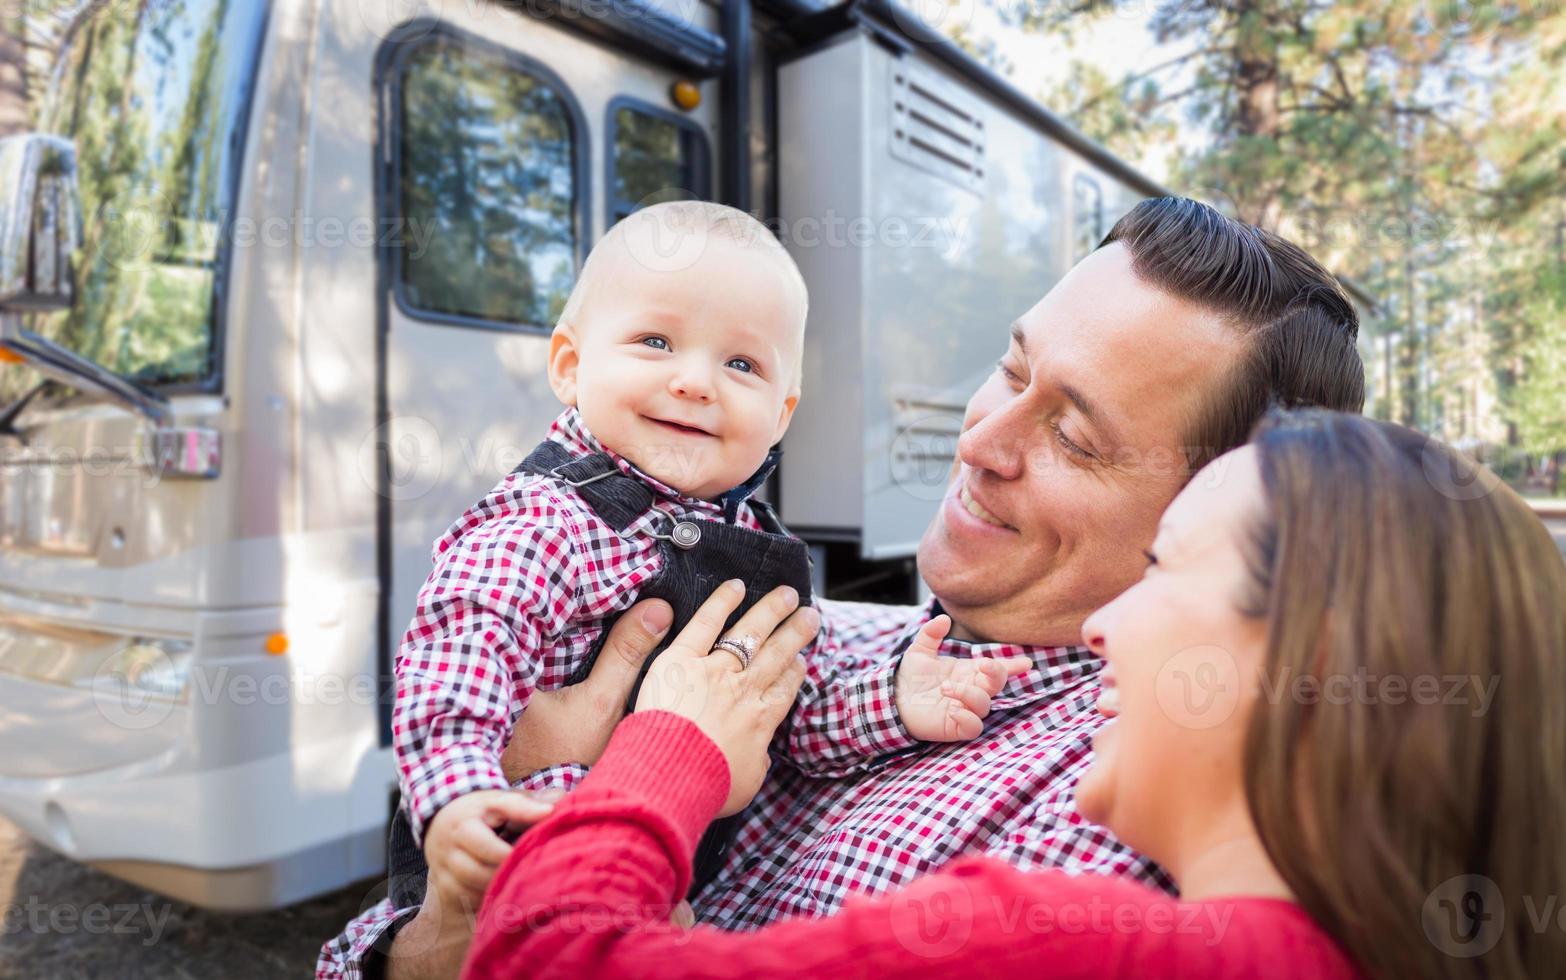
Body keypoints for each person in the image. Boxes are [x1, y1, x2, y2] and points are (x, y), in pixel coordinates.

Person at [318, 197, 1368, 978]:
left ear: (1224, 502)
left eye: (1075, 437)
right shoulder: (864, 640)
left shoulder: (1113, 813)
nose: (983, 438)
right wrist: (427, 934)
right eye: (1010, 371)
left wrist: (644, 756)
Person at [464, 410, 1566, 979]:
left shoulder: (1058, 941)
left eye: (1165, 568)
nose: (1103, 628)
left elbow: (546, 962)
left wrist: (665, 745)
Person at [347, 201, 1029, 972]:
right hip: (508, 855)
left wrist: (895, 701)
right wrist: (458, 795)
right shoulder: (548, 520)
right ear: (570, 365)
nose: (696, 381)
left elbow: (790, 716)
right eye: (655, 341)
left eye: (742, 364)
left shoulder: (766, 554)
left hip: (650, 891)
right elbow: (458, 651)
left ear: (781, 414)